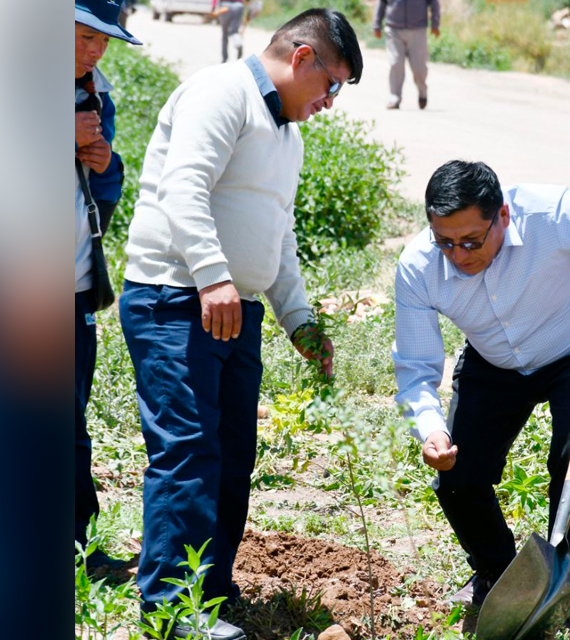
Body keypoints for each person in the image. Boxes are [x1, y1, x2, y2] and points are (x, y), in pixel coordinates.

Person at [119, 8, 362, 638]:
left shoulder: (288, 134)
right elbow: (184, 187)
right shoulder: (219, 93)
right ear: (303, 58)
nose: (330, 102)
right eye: (331, 85)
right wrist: (212, 274)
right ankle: (170, 610)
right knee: (188, 452)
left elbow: (278, 235)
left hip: (233, 310)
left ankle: (209, 591)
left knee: (230, 456)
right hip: (177, 300)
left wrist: (300, 320)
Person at [391, 160, 570, 607]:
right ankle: (504, 580)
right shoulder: (418, 267)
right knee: (457, 477)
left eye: (471, 240)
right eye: (445, 242)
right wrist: (430, 431)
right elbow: (414, 368)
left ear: (502, 216)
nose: (460, 255)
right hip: (494, 361)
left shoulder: (549, 214)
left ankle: (565, 581)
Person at [75, 0, 141, 567]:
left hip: (71, 288)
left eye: (103, 40)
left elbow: (107, 195)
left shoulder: (99, 97)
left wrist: (102, 162)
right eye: (84, 35)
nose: (95, 50)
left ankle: (82, 550)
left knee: (71, 422)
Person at [373, 0, 440, 109]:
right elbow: (382, 3)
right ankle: (394, 97)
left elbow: (433, 3)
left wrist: (435, 23)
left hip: (417, 29)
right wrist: (377, 24)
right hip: (393, 28)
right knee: (395, 63)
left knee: (419, 68)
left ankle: (422, 92)